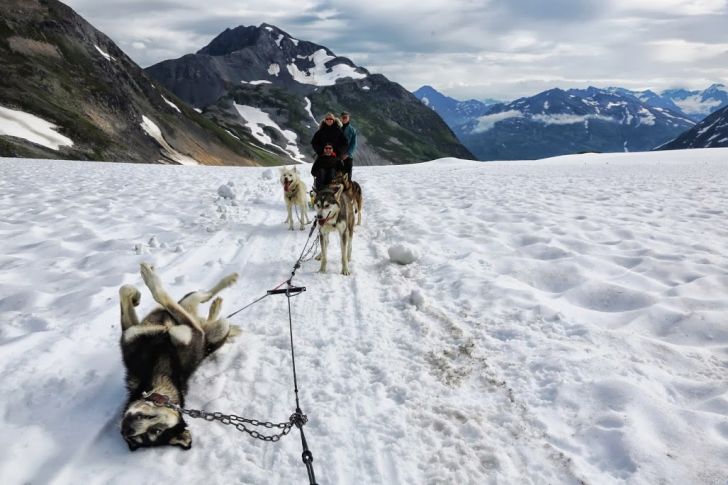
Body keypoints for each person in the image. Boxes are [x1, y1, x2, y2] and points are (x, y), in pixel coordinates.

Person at [340, 111, 357, 182]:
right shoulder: (337, 128)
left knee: (348, 177)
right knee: (337, 176)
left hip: (348, 157)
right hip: (337, 155)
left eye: (346, 117)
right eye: (343, 117)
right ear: (340, 118)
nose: (344, 119)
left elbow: (353, 144)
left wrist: (347, 154)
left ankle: (347, 191)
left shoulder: (352, 130)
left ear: (348, 118)